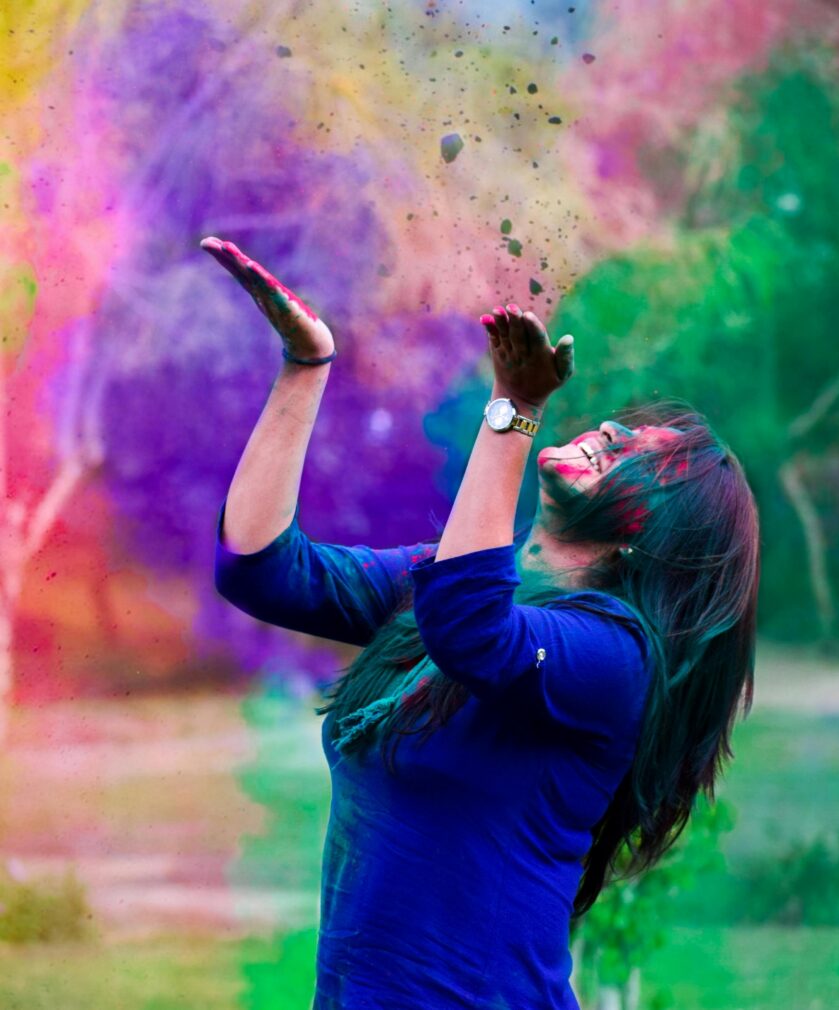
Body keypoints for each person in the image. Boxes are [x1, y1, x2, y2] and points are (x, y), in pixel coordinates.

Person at [203, 236, 761, 1010]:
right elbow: (261, 569)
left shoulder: (615, 659)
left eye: (645, 458)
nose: (614, 434)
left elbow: (471, 630)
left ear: (653, 534)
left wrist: (519, 409)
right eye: (626, 429)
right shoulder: (448, 585)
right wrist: (307, 365)